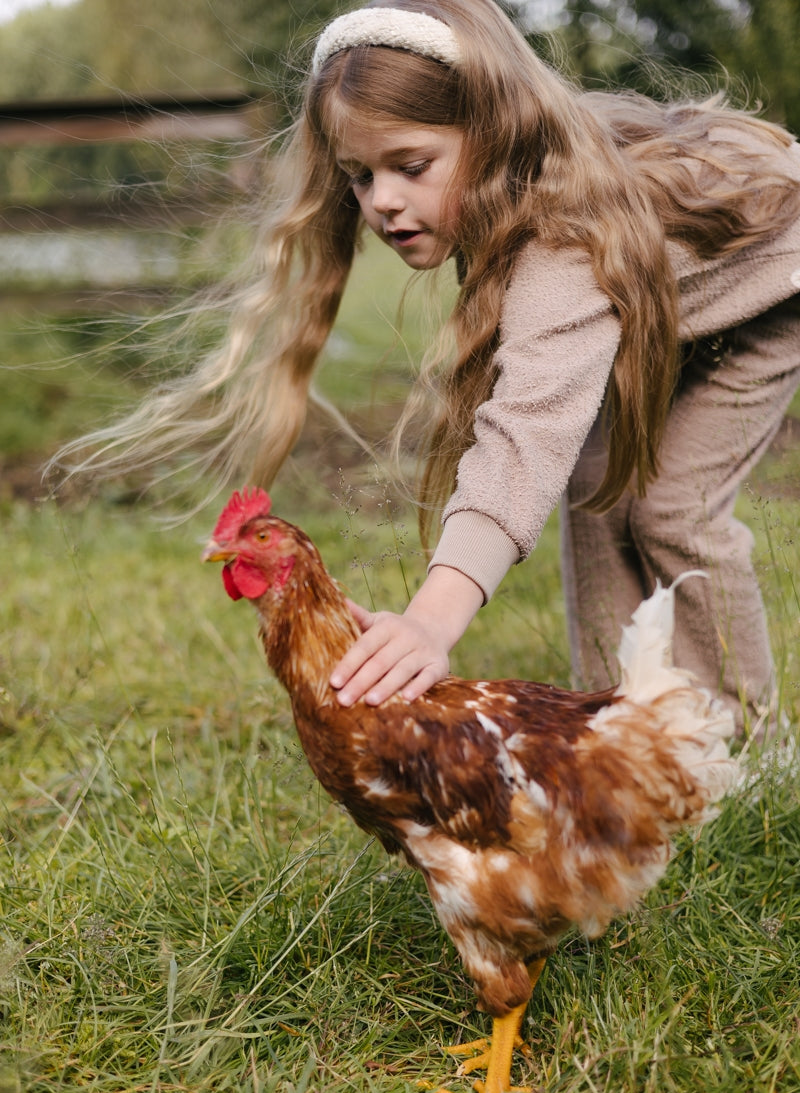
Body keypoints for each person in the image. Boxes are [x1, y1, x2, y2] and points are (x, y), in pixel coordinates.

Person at [53, 0, 800, 736]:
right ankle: (621, 737)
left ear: (492, 133)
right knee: (600, 490)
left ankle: (751, 741)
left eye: (410, 166)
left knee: (671, 508)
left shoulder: (563, 243)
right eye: (360, 175)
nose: (382, 201)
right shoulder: (506, 198)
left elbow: (526, 434)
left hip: (778, 279)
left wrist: (431, 621)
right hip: (675, 298)